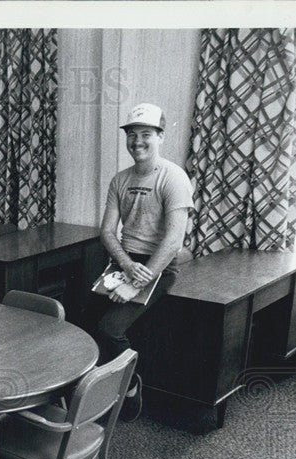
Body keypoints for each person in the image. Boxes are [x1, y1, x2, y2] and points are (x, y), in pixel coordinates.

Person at [84, 102, 193, 421]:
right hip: (124, 262)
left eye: (146, 134)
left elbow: (173, 241)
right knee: (86, 322)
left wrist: (137, 281)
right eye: (132, 135)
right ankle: (99, 390)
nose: (138, 141)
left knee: (108, 328)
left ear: (160, 136)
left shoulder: (174, 178)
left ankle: (130, 387)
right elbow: (107, 231)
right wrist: (126, 266)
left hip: (158, 265)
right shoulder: (120, 180)